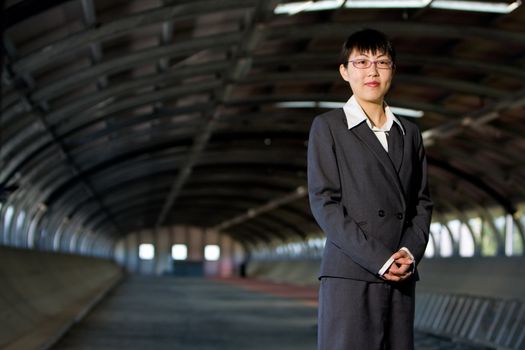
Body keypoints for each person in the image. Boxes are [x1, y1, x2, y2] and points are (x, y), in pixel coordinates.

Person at [307, 28, 433, 350]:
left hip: (400, 276)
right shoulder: (329, 127)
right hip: (350, 275)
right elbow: (325, 204)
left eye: (382, 62)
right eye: (361, 62)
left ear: (393, 70)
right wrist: (381, 259)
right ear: (344, 71)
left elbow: (421, 202)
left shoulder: (410, 133)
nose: (372, 71)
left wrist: (407, 253)